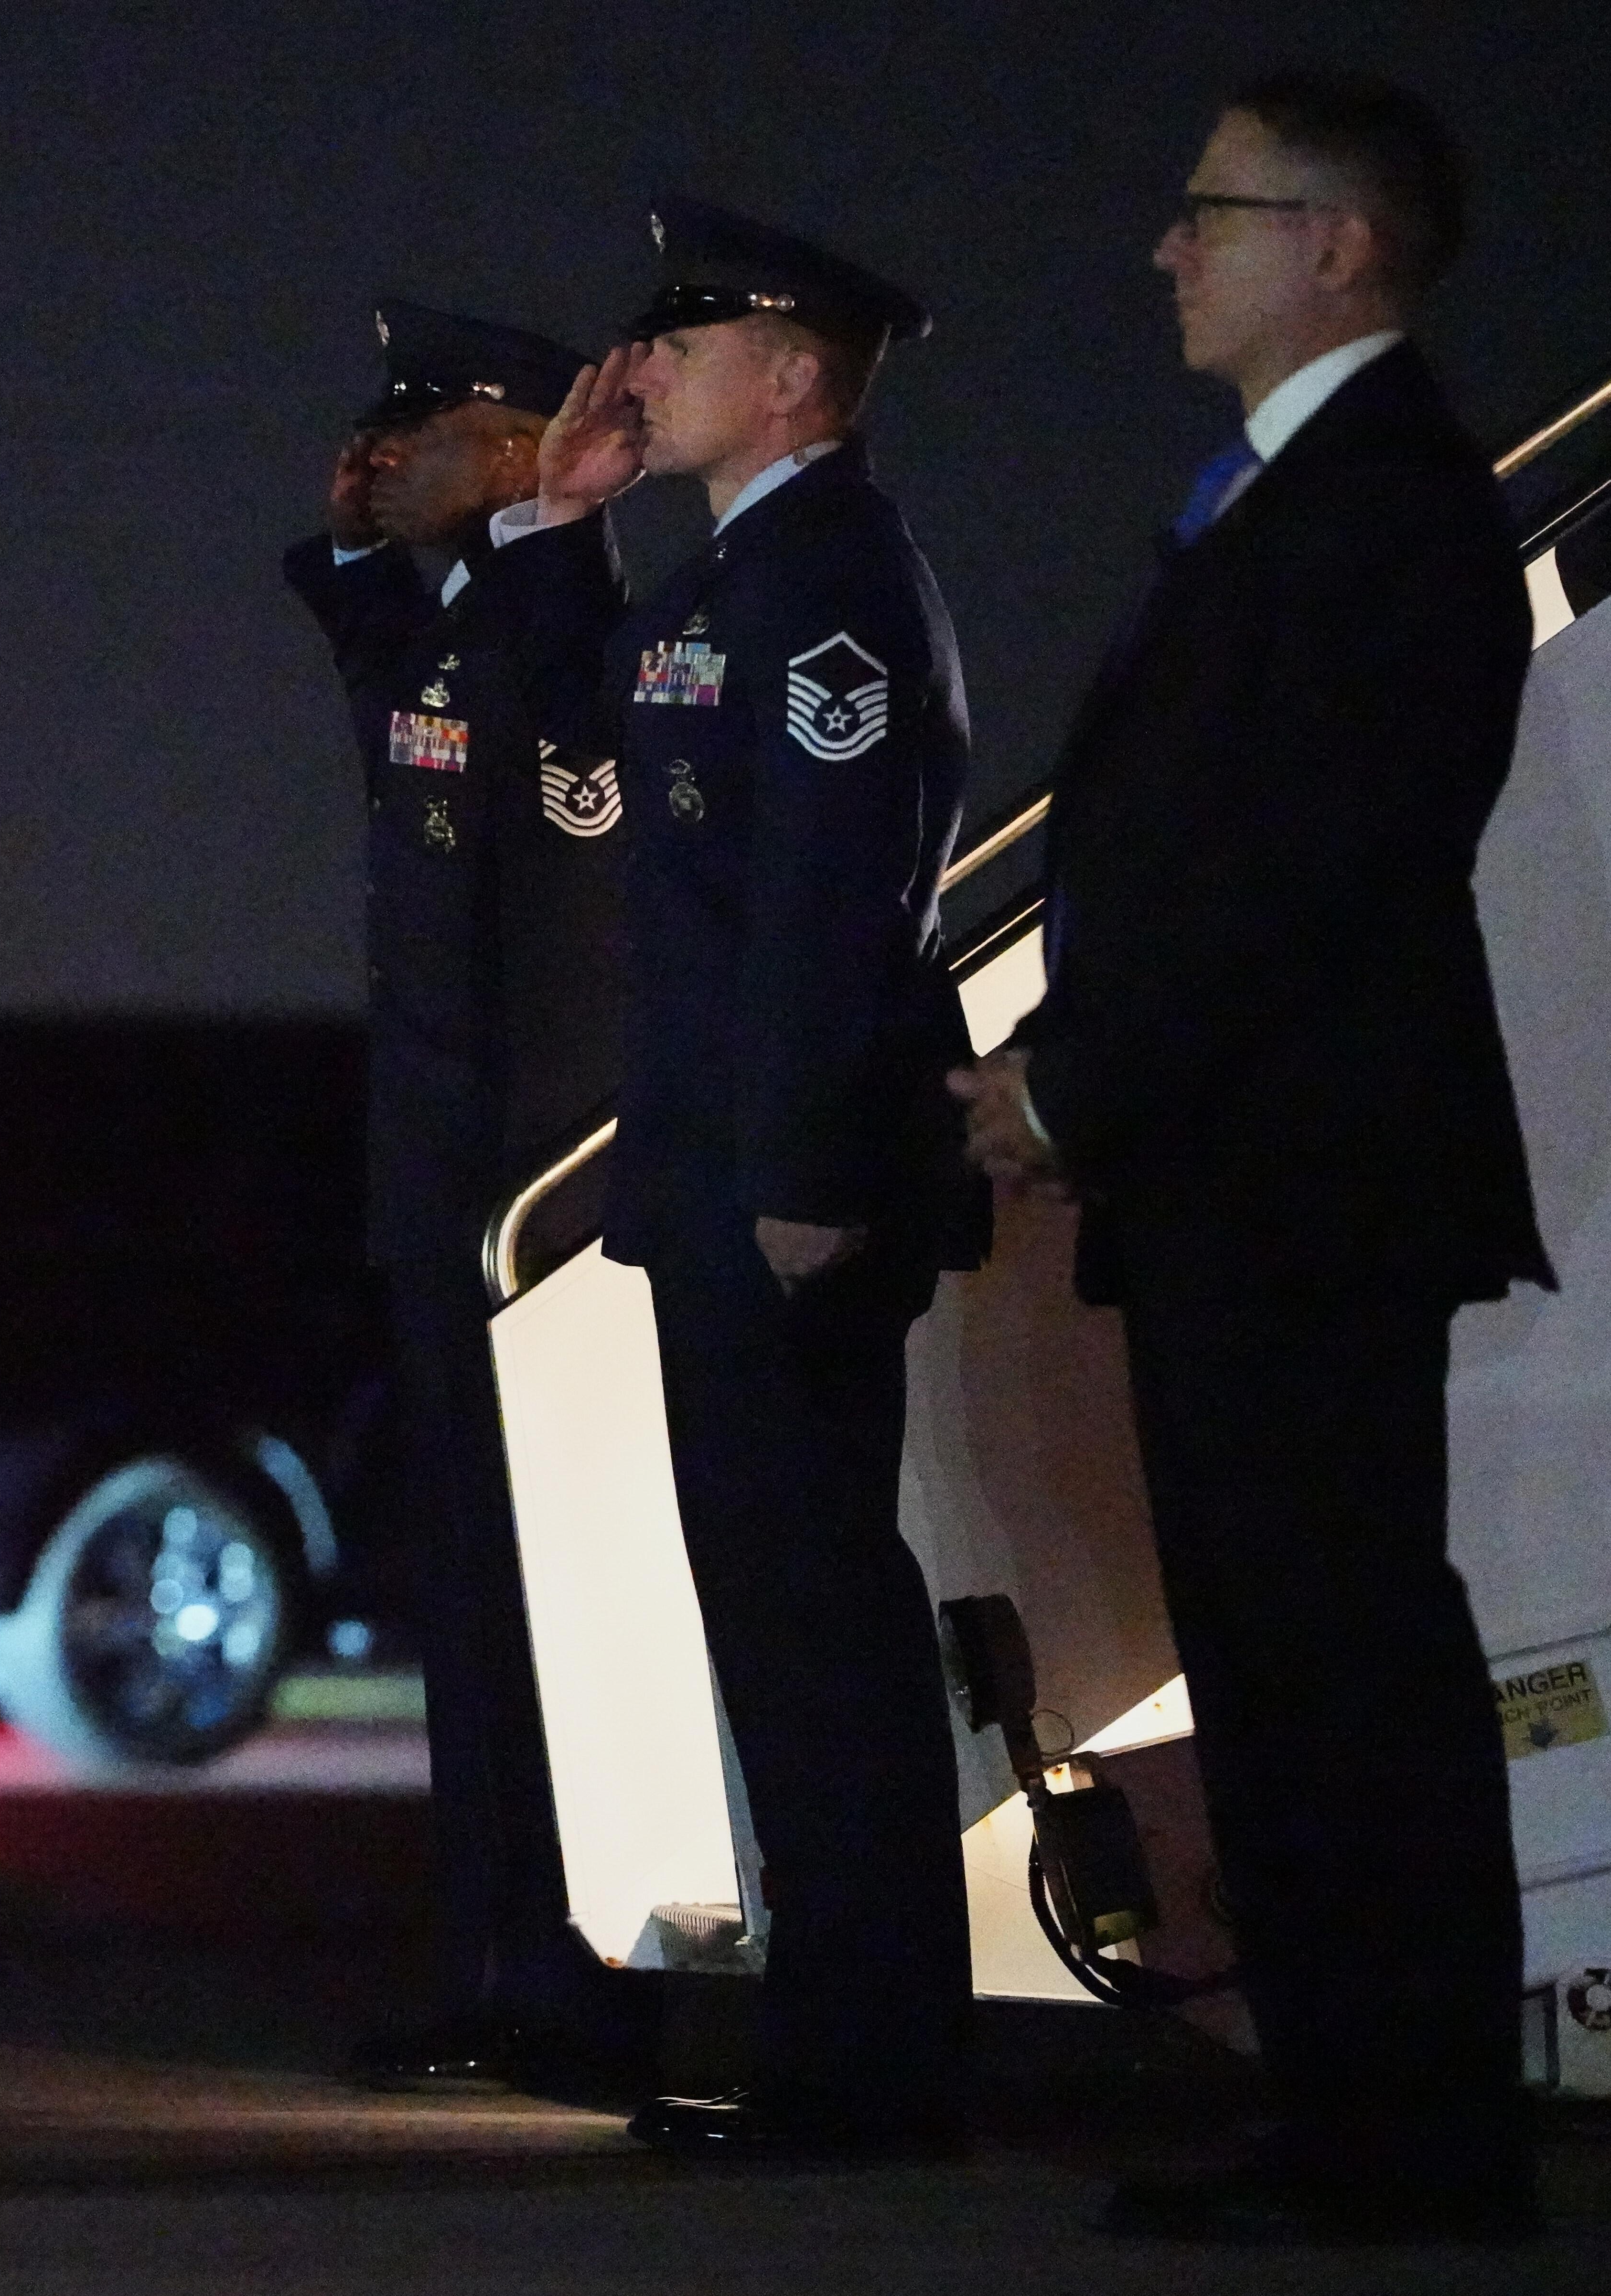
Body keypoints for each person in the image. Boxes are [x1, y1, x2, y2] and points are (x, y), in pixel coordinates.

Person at [953, 75, 1547, 2244]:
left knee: (1345, 1653)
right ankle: (1350, 2117)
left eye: (1212, 208)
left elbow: (1307, 869)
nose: (1165, 248)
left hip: (1310, 1179)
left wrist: (1076, 1085)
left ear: (1343, 245)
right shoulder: (1284, 498)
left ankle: (1417, 2136)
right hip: (1238, 1174)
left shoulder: (1384, 505)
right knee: (1287, 1654)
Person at [526, 196, 985, 2158]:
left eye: (687, 340)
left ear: (792, 372)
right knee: (771, 1603)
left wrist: (799, 1171)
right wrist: (564, 525)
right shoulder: (735, 575)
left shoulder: (827, 583)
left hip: (776, 1180)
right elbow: (589, 754)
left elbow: (830, 900)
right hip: (711, 1172)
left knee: (813, 1613)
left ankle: (868, 2055)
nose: (645, 366)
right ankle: (838, 2030)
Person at [279, 300, 631, 2089]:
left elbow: (573, 935)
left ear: (515, 454)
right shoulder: (449, 631)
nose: (378, 449)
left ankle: (572, 1975)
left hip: (527, 1203)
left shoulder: (559, 636)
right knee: (469, 1608)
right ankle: (501, 1963)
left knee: (542, 1605)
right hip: (438, 1197)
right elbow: (381, 691)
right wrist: (354, 545)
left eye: (420, 429)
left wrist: (533, 1209)